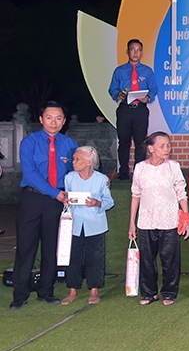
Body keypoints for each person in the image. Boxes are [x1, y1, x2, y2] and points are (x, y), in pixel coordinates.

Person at [11, 101, 78, 310]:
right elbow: (30, 174)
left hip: (56, 203)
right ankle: (20, 294)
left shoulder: (69, 144)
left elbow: (75, 171)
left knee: (51, 247)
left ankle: (46, 291)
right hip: (33, 198)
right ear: (41, 119)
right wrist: (55, 193)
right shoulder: (29, 142)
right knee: (26, 247)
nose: (53, 122)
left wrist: (97, 179)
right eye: (49, 117)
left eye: (58, 118)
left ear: (64, 121)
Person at [129, 131, 189, 306]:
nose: (166, 149)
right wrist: (132, 224)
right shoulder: (140, 167)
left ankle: (169, 293)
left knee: (170, 260)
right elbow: (136, 195)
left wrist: (186, 218)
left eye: (168, 145)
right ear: (151, 148)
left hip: (170, 220)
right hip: (146, 221)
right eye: (162, 146)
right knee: (147, 260)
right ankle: (149, 293)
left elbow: (181, 193)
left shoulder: (173, 166)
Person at [61, 146, 114, 305]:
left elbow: (109, 201)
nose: (73, 162)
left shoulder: (101, 179)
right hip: (74, 223)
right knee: (73, 257)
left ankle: (94, 290)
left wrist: (97, 203)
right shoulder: (69, 178)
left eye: (77, 159)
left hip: (95, 224)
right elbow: (67, 196)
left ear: (89, 162)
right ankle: (72, 291)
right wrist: (66, 201)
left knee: (95, 257)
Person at [108, 39, 158, 181]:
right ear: (127, 51)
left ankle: (139, 172)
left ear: (141, 52)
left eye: (138, 50)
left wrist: (147, 97)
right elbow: (112, 88)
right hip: (124, 109)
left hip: (140, 110)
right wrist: (117, 94)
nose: (135, 53)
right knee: (124, 142)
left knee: (140, 142)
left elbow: (154, 88)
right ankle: (123, 171)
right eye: (132, 49)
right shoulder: (119, 71)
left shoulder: (147, 71)